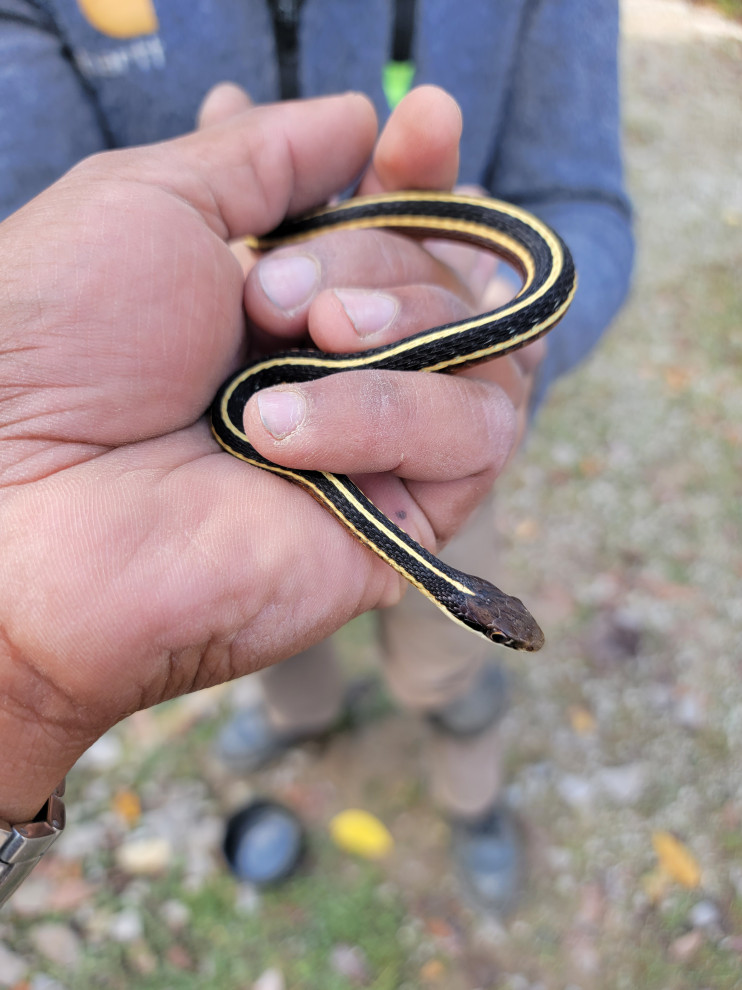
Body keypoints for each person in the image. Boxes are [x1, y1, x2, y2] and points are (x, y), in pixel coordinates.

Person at [0, 0, 634, 912]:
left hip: (440, 449)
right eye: (500, 623)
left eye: (503, 623)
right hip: (203, 443)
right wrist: (21, 675)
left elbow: (586, 203)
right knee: (273, 634)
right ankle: (298, 718)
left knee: (442, 661)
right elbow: (30, 209)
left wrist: (503, 334)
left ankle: (470, 782)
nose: (506, 625)